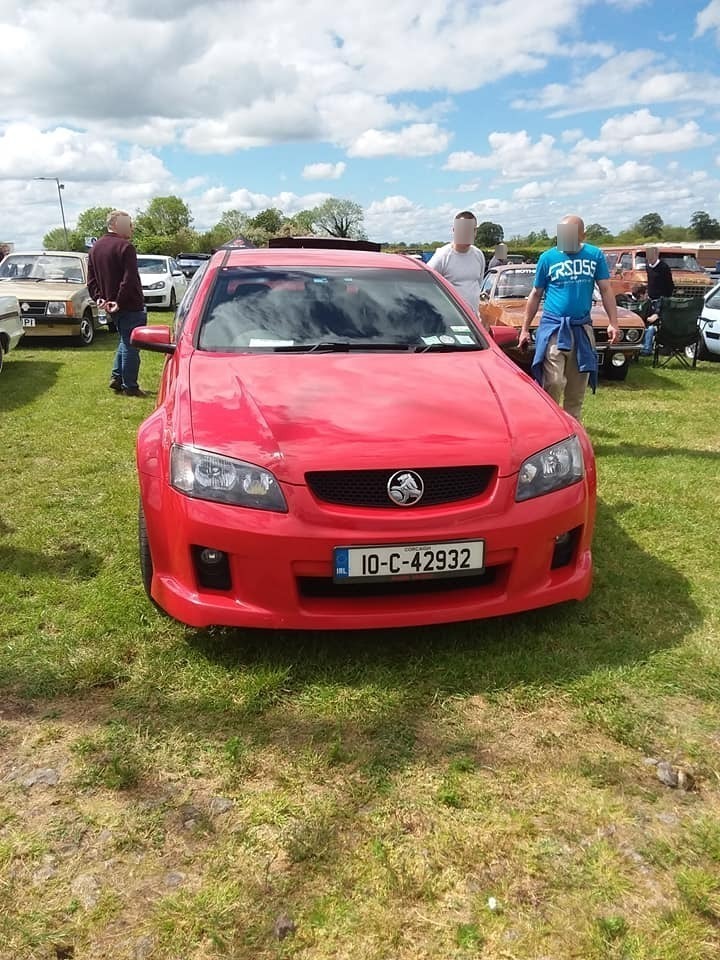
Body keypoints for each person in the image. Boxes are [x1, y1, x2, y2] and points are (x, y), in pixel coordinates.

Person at [518, 215, 620, 421]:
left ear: (582, 235)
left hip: (581, 329)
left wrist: (613, 323)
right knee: (553, 382)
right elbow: (536, 293)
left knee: (576, 389)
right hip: (554, 328)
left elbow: (606, 290)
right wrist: (524, 329)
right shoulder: (547, 258)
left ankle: (573, 435)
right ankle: (550, 428)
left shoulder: (595, 255)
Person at [88, 210, 148, 397]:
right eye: (128, 224)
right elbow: (129, 279)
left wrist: (100, 298)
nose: (132, 228)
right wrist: (118, 302)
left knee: (124, 339)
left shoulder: (95, 247)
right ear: (115, 225)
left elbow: (91, 280)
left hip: (112, 306)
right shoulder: (125, 247)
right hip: (129, 304)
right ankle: (130, 386)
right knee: (132, 345)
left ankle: (117, 377)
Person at [427, 211, 486, 315]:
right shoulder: (442, 256)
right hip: (450, 320)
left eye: (471, 230)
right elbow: (427, 285)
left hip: (473, 321)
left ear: (475, 231)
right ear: (454, 230)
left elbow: (478, 284)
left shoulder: (478, 255)